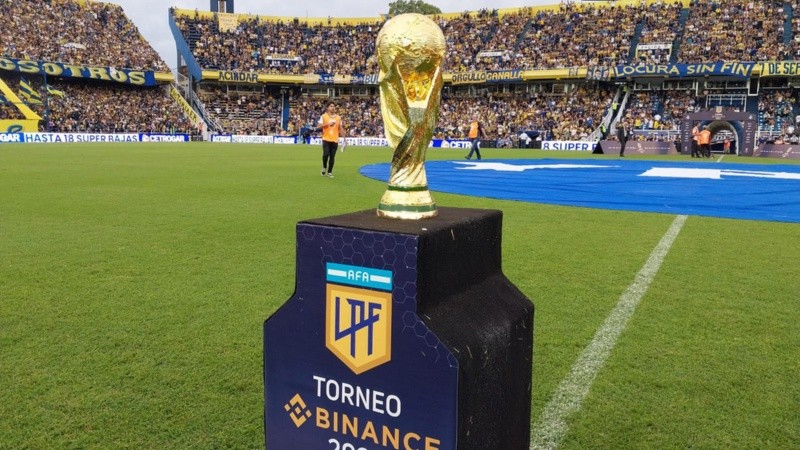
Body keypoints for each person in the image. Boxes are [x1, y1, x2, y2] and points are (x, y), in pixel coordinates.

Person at [317, 102, 345, 178]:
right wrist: (328, 124)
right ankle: (324, 167)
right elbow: (318, 126)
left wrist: (344, 139)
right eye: (331, 106)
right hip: (326, 139)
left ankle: (329, 172)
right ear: (328, 108)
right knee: (325, 154)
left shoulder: (338, 118)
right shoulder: (324, 116)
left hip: (335, 139)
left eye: (334, 106)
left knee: (332, 157)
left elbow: (341, 128)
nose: (333, 108)